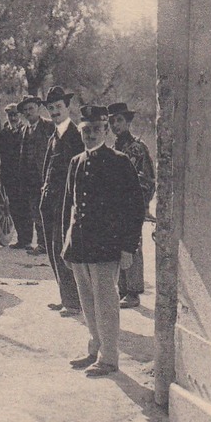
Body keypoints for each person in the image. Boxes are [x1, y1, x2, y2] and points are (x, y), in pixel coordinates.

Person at [62, 105, 146, 377]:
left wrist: (128, 248)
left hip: (106, 247)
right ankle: (94, 348)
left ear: (106, 130)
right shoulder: (76, 162)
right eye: (85, 130)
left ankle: (109, 357)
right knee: (87, 301)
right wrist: (67, 243)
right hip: (82, 246)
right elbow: (71, 207)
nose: (90, 135)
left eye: (96, 129)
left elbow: (135, 208)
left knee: (105, 303)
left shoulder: (119, 162)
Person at [39, 86, 84, 316]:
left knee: (64, 251)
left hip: (66, 204)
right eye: (51, 108)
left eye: (58, 107)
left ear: (68, 108)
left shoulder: (76, 137)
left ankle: (74, 302)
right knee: (53, 251)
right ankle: (64, 297)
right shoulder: (54, 136)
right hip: (50, 204)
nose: (55, 112)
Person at [107, 102, 156, 308]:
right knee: (118, 247)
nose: (115, 125)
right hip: (116, 207)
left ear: (128, 122)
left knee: (132, 246)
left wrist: (142, 206)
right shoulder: (113, 148)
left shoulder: (137, 148)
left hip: (131, 205)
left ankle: (134, 292)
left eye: (119, 120)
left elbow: (147, 180)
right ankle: (123, 289)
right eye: (112, 121)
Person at [17, 95, 54, 254]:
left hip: (46, 175)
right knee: (34, 209)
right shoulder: (25, 129)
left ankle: (46, 244)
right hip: (30, 177)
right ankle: (41, 244)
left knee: (46, 209)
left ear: (38, 108)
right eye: (25, 110)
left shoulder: (49, 127)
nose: (28, 112)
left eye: (31, 108)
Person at [0, 103, 27, 248]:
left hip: (23, 175)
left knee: (25, 207)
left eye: (15, 115)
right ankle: (22, 240)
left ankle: (26, 240)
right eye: (11, 115)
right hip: (9, 176)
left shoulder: (25, 132)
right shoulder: (4, 134)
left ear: (20, 116)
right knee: (14, 207)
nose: (13, 118)